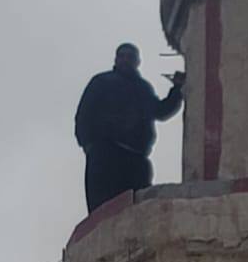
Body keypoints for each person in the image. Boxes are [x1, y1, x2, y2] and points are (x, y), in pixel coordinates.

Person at [75, 43, 184, 213]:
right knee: (102, 211)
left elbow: (161, 111)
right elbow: (84, 115)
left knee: (137, 209)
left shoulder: (143, 89)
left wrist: (177, 89)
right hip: (106, 154)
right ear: (116, 59)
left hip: (136, 159)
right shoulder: (102, 82)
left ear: (137, 61)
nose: (126, 60)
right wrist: (90, 145)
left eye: (130, 56)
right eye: (122, 56)